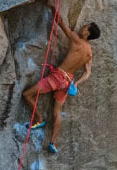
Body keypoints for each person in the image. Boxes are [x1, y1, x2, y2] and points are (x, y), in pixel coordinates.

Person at [21, 14, 100, 154]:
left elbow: (61, 23)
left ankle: (38, 120)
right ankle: (53, 143)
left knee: (27, 94)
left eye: (85, 27)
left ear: (87, 33)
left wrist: (52, 7)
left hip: (56, 78)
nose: (82, 28)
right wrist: (76, 83)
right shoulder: (89, 54)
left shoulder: (77, 40)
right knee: (57, 110)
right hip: (67, 82)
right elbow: (87, 73)